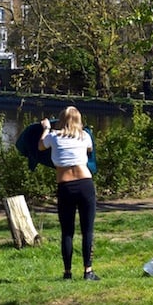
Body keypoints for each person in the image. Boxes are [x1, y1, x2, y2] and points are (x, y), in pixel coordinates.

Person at [38, 107, 99, 281]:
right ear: (79, 120)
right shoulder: (84, 136)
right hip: (85, 184)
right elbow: (89, 149)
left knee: (67, 231)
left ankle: (67, 273)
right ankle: (88, 271)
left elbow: (40, 146)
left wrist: (46, 128)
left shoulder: (53, 137)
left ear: (60, 120)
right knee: (88, 230)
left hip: (65, 186)